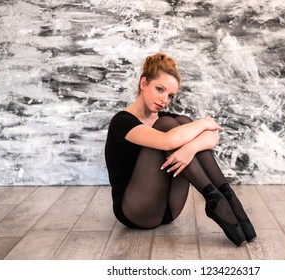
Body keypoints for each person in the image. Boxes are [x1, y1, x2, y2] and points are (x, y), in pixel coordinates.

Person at [105, 53, 256, 246]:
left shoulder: (170, 120)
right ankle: (213, 197)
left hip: (170, 209)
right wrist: (204, 123)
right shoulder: (122, 121)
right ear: (144, 84)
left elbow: (213, 136)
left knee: (182, 123)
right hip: (135, 210)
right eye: (160, 89)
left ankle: (225, 195)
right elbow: (168, 141)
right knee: (169, 125)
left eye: (170, 95)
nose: (164, 99)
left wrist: (191, 148)